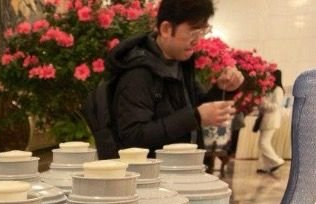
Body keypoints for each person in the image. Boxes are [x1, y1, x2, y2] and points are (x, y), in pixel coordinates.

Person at [104, 0, 244, 156]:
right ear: (166, 29)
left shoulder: (180, 64)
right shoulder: (138, 73)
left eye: (202, 32)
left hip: (182, 165)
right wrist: (195, 117)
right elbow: (133, 137)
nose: (197, 41)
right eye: (192, 32)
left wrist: (223, 88)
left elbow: (198, 107)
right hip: (155, 169)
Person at [256, 70, 285, 174]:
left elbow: (275, 106)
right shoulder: (270, 89)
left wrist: (263, 102)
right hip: (266, 120)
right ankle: (267, 166)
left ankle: (277, 161)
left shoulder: (278, 90)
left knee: (263, 143)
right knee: (263, 143)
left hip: (271, 120)